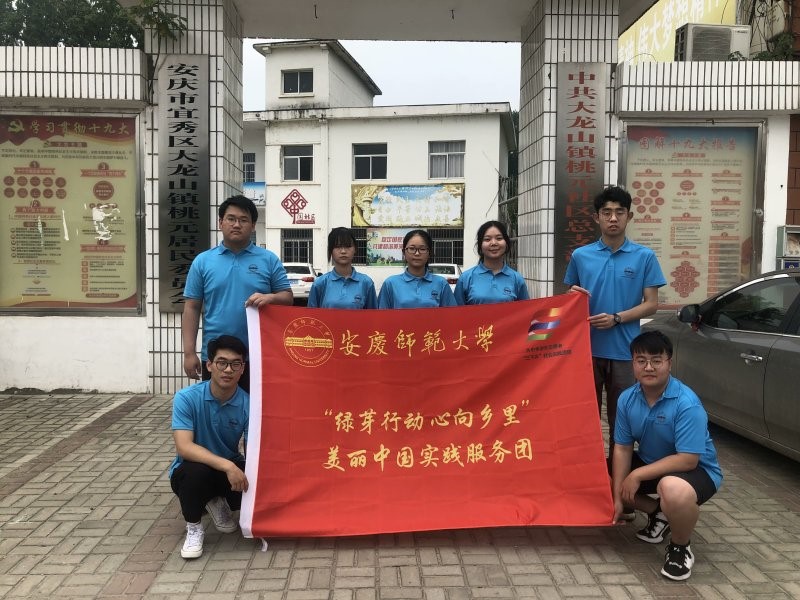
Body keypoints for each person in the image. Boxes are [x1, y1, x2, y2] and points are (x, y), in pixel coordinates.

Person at [564, 185, 666, 463]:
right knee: (584, 417)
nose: (613, 218)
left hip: (625, 351)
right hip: (585, 351)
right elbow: (569, 296)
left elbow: (651, 303)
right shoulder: (581, 256)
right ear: (596, 217)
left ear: (629, 217)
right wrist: (572, 296)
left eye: (619, 212)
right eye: (606, 212)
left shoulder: (644, 256)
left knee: (621, 420)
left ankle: (617, 477)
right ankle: (588, 472)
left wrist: (617, 318)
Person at [612, 330, 722, 581]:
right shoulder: (627, 399)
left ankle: (680, 548)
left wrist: (637, 475)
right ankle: (658, 514)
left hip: (697, 470)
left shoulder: (686, 403)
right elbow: (622, 448)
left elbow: (688, 459)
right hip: (653, 463)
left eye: (656, 360)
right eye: (641, 361)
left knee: (671, 489)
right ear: (633, 364)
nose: (648, 367)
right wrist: (618, 497)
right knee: (598, 474)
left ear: (669, 363)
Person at [182, 195, 293, 392]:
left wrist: (270, 298)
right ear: (220, 223)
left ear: (253, 225)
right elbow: (191, 307)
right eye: (231, 219)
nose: (236, 225)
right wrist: (189, 353)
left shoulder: (268, 260)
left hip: (259, 355)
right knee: (216, 407)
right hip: (216, 357)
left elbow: (287, 297)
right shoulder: (203, 261)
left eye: (243, 220)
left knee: (256, 408)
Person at [169, 335, 251, 559]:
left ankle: (216, 500)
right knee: (196, 474)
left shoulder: (248, 403)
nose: (228, 370)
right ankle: (194, 527)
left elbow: (253, 449)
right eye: (222, 363)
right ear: (209, 365)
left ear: (242, 369)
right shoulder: (186, 398)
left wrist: (247, 475)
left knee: (254, 487)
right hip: (193, 469)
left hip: (227, 469)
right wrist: (228, 466)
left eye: (235, 364)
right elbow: (184, 447)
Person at [455, 220, 529, 305]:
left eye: (499, 238)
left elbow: (526, 310)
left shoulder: (517, 279)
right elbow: (455, 311)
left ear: (506, 243)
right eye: (487, 239)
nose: (494, 243)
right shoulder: (466, 278)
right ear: (480, 245)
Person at [378, 229, 457, 308]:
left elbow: (452, 314)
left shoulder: (441, 283)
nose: (417, 253)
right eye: (412, 249)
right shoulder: (390, 284)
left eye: (422, 249)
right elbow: (381, 314)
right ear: (404, 252)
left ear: (429, 253)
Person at [308, 227, 377, 309]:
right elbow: (311, 315)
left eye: (348, 246)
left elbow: (373, 315)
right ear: (330, 250)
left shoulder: (366, 283)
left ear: (355, 249)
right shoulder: (320, 283)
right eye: (338, 246)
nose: (343, 251)